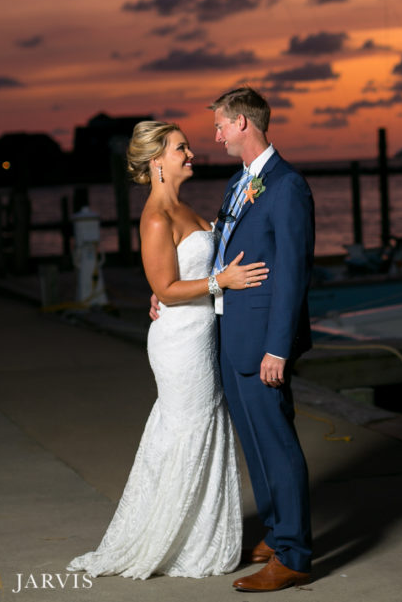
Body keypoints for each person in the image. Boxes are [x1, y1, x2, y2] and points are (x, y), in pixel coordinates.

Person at [68, 121, 268, 580]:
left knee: (205, 429)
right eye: (182, 148)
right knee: (188, 431)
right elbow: (165, 286)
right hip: (180, 343)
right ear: (157, 160)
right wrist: (221, 281)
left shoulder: (182, 207)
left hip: (202, 334)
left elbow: (186, 269)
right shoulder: (157, 216)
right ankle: (171, 539)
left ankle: (201, 535)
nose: (192, 153)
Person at [207, 86, 316, 592]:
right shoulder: (238, 183)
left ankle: (293, 555)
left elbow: (293, 274)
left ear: (244, 124)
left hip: (263, 342)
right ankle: (276, 532)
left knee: (277, 442)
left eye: (222, 125)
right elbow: (223, 253)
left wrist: (279, 347)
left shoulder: (287, 185)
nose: (217, 133)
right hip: (234, 333)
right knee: (254, 442)